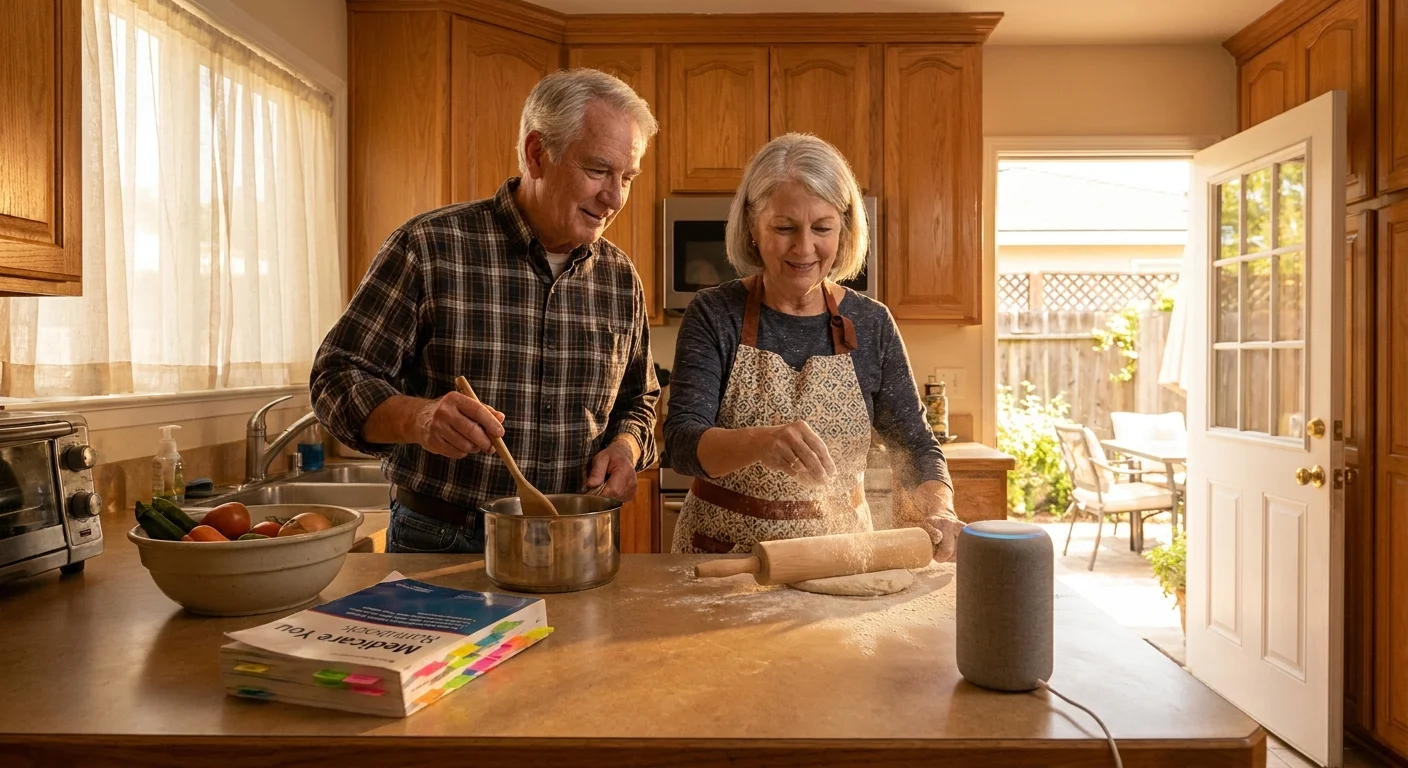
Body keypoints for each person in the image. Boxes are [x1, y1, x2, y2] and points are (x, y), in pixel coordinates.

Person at [311, 69, 660, 554]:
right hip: (441, 539)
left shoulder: (621, 280)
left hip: (577, 542)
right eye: (599, 170)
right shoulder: (429, 247)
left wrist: (625, 448)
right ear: (538, 154)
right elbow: (336, 377)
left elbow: (637, 402)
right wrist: (420, 417)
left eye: (627, 177)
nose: (616, 197)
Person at [664, 133, 963, 560]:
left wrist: (939, 509)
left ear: (844, 227)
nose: (804, 248)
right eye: (784, 228)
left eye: (821, 227)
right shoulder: (715, 314)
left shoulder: (871, 323)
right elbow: (681, 443)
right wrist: (759, 442)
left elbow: (915, 445)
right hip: (724, 557)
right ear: (752, 226)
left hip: (838, 557)